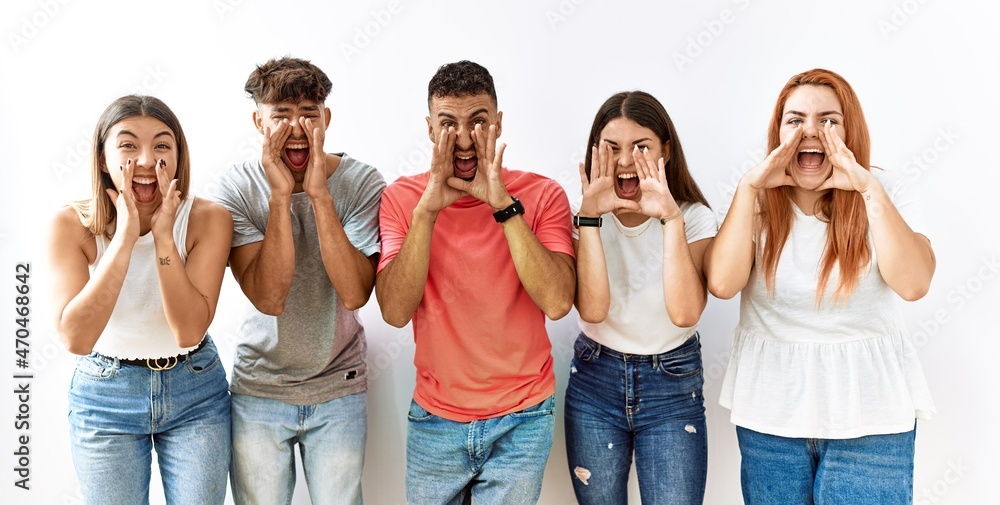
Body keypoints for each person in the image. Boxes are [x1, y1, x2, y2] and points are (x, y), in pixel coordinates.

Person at [704, 68, 936, 504]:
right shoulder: (754, 199)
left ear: (850, 130)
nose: (810, 130)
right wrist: (750, 187)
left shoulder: (883, 190)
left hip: (871, 414)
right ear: (778, 131)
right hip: (771, 411)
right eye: (795, 120)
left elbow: (914, 283)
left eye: (828, 120)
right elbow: (721, 283)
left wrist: (867, 187)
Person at [375, 60, 576, 504]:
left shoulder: (542, 195)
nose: (464, 139)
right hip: (435, 419)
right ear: (429, 129)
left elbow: (559, 301)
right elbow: (393, 312)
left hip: (523, 417)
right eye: (449, 124)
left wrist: (503, 204)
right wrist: (426, 212)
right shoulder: (402, 199)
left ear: (499, 123)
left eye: (478, 121)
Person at [212, 56, 385, 504]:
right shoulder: (236, 188)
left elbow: (355, 292)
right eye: (280, 116)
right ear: (258, 121)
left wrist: (319, 195)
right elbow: (270, 297)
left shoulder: (362, 182)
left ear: (326, 118)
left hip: (339, 384)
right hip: (259, 388)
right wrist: (279, 197)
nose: (296, 127)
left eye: (308, 114)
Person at [49, 95, 233, 504]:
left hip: (195, 391)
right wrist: (126, 236)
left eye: (162, 145)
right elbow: (76, 338)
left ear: (179, 157)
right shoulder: (70, 223)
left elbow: (188, 329)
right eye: (129, 145)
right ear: (102, 158)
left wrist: (164, 236)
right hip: (105, 397)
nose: (147, 160)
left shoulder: (209, 219)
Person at [566, 91, 716, 504]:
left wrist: (670, 218)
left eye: (641, 147)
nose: (626, 160)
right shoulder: (581, 214)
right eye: (612, 148)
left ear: (665, 151)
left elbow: (685, 313)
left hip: (671, 382)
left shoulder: (694, 217)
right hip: (595, 379)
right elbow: (593, 309)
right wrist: (591, 218)